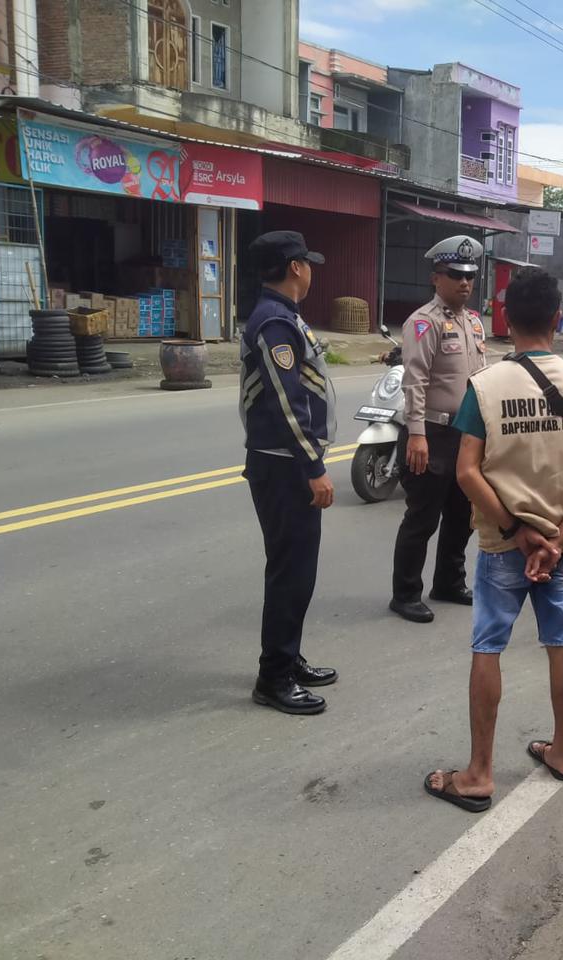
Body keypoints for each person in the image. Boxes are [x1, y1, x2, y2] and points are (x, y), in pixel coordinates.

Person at [423, 267, 563, 813]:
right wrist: (557, 537)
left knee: (488, 647)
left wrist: (515, 530)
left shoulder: (484, 387)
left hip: (503, 546)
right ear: (558, 318)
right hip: (561, 548)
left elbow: (466, 471)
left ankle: (479, 774)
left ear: (505, 318)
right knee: (561, 641)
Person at [238, 230, 338, 715]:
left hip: (286, 461)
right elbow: (286, 402)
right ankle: (273, 677)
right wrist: (313, 466)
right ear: (295, 267)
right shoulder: (274, 322)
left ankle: (288, 656)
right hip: (284, 466)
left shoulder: (284, 316)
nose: (311, 270)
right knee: (290, 573)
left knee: (298, 571)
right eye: (307, 262)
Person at [390, 235, 489, 624]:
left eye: (469, 276)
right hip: (430, 434)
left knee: (462, 514)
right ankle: (405, 594)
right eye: (455, 274)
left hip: (465, 435)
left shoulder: (474, 322)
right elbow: (414, 381)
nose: (464, 282)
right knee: (422, 518)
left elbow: (481, 378)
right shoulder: (423, 322)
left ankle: (449, 582)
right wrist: (416, 433)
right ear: (436, 277)